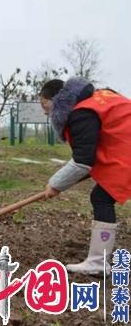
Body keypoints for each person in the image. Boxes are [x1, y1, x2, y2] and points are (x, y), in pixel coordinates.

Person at [41, 77, 131, 275]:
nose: (44, 110)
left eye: (44, 104)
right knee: (101, 197)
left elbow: (82, 161)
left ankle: (98, 262)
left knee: (101, 198)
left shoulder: (81, 113)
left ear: (57, 100)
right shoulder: (97, 98)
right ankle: (98, 260)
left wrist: (55, 184)